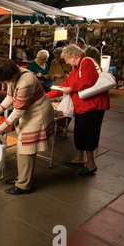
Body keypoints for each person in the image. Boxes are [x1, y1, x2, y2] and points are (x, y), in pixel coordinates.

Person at [0, 58, 55, 194]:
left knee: (26, 149)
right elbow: (10, 97)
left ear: (9, 75)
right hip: (31, 112)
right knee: (22, 147)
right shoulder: (15, 75)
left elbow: (19, 110)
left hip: (38, 114)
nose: (3, 83)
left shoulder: (26, 82)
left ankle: (23, 185)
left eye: (4, 81)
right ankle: (22, 177)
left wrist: (2, 127)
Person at [47, 44, 110, 175]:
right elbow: (66, 85)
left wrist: (70, 88)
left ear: (73, 56)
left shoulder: (86, 62)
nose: (66, 62)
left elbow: (88, 82)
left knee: (88, 134)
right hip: (83, 107)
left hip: (93, 106)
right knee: (80, 133)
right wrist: (46, 96)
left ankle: (91, 164)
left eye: (66, 59)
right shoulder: (77, 67)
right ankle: (79, 158)